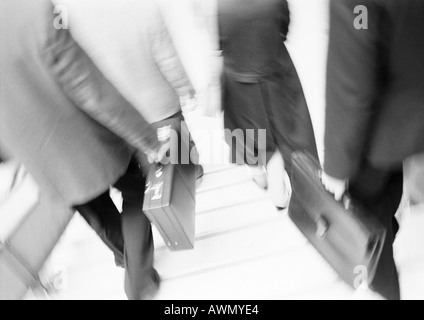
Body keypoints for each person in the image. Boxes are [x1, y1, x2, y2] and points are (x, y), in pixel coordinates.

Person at [0, 0, 166, 300]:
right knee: (136, 190)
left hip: (42, 159)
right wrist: (148, 139)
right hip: (89, 141)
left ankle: (127, 257)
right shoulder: (34, 11)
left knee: (96, 212)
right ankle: (139, 280)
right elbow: (88, 86)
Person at [322, 0, 424, 300]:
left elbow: (351, 82)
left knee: (367, 215)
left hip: (389, 122)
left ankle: (385, 290)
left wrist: (337, 167)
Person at [216, 0, 319, 208]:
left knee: (248, 133)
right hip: (276, 75)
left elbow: (219, 44)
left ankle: (257, 173)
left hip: (238, 81)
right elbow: (284, 28)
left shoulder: (219, 6)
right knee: (289, 133)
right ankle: (284, 195)